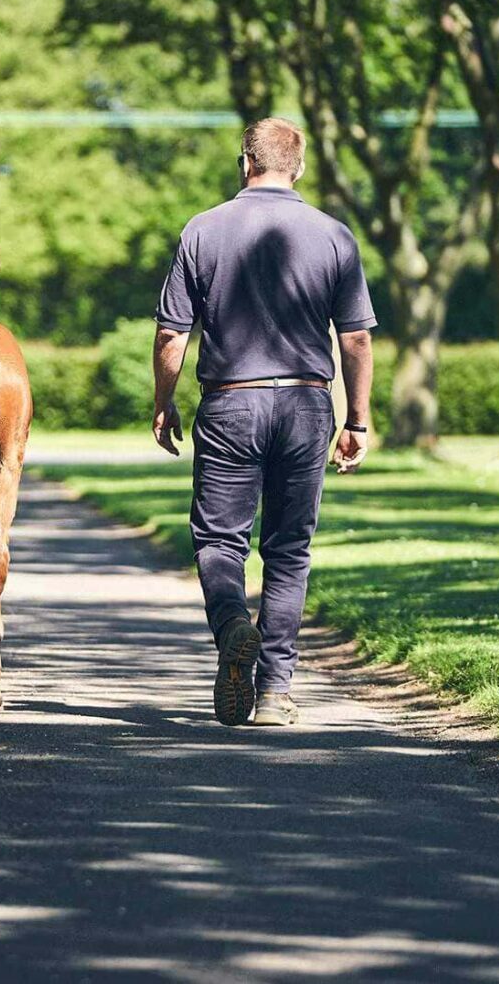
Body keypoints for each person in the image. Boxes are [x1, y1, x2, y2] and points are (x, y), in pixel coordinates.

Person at [150, 118, 375, 728]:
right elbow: (354, 338)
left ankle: (231, 627)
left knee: (219, 540)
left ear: (243, 162)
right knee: (288, 549)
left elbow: (174, 333)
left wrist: (163, 400)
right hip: (307, 404)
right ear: (297, 168)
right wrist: (357, 418)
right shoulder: (334, 236)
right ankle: (274, 691)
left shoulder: (203, 229)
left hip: (231, 402)